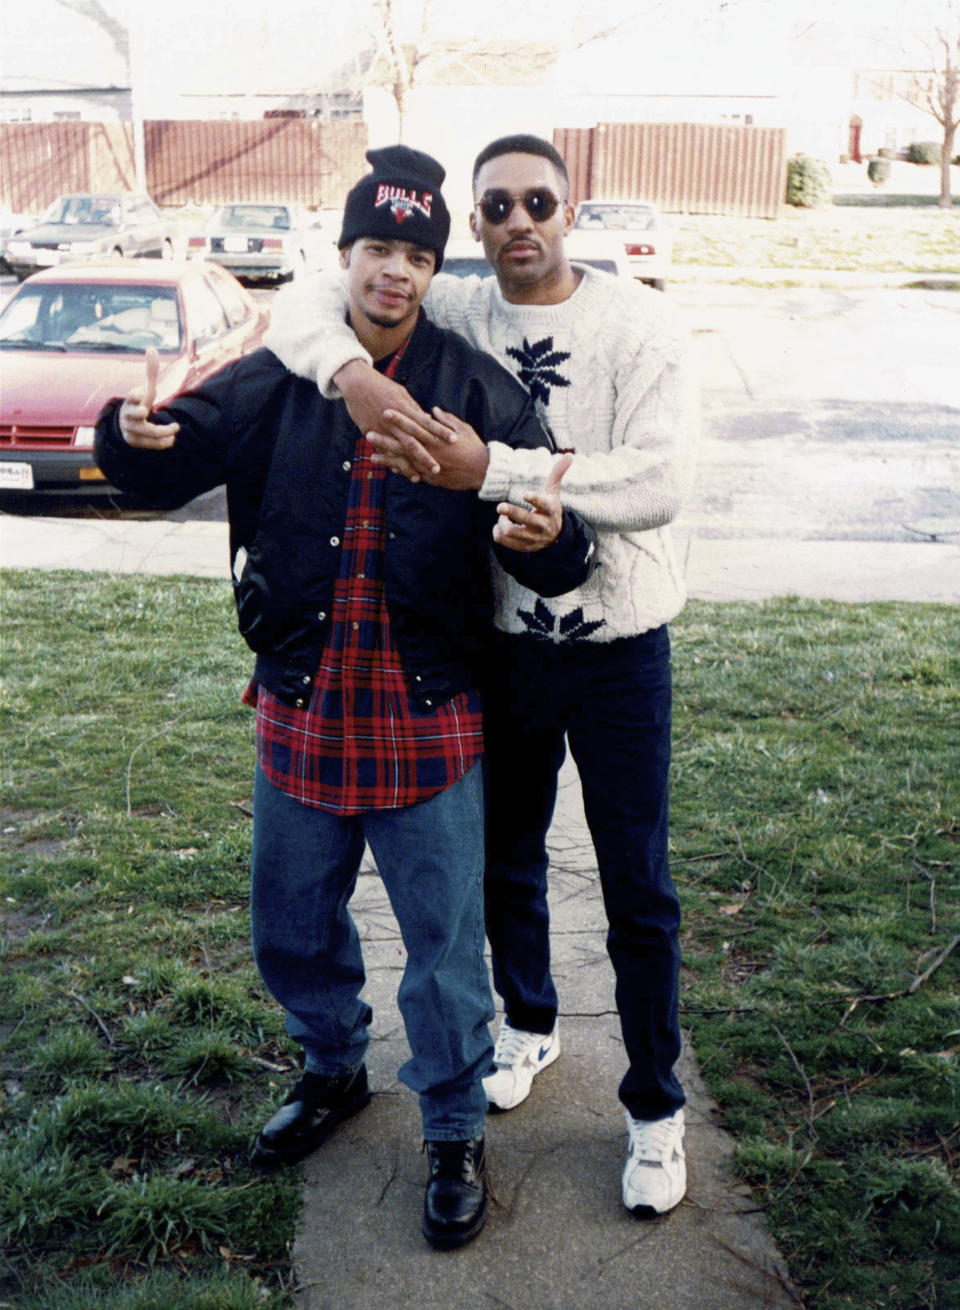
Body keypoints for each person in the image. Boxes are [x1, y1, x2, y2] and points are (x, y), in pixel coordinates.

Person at [94, 145, 597, 1251]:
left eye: (418, 255)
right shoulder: (281, 370)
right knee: (292, 922)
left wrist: (546, 535)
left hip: (429, 711)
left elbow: (559, 537)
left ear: (430, 269)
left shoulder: (475, 386)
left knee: (445, 945)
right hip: (303, 700)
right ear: (347, 256)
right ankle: (331, 1068)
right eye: (379, 248)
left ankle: (455, 1124)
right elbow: (165, 459)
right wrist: (123, 438)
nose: (396, 272)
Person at [264, 133, 700, 1218]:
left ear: (571, 206)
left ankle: (653, 1108)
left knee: (635, 886)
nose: (517, 222)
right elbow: (301, 305)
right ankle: (532, 1022)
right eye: (495, 204)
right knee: (506, 864)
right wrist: (355, 373)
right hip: (508, 643)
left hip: (616, 647)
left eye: (537, 201)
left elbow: (659, 481)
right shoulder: (459, 308)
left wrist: (494, 468)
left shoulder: (638, 321)